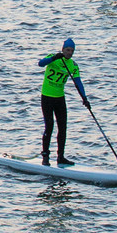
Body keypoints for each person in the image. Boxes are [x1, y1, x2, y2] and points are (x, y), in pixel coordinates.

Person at [37, 36, 85, 166]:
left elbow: (78, 82)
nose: (69, 52)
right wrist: (53, 58)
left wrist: (84, 98)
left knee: (63, 128)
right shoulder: (54, 57)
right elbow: (40, 63)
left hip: (60, 98)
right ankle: (45, 156)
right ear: (63, 49)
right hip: (47, 97)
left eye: (72, 51)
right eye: (67, 50)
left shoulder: (73, 65)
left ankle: (60, 157)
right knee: (50, 126)